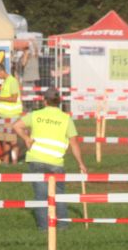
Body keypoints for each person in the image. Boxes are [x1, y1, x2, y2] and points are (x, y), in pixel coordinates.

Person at [12, 87, 87, 230]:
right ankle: (63, 226)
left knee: (41, 197)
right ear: (59, 102)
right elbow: (74, 144)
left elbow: (16, 126)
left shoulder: (35, 115)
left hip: (36, 159)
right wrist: (81, 164)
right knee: (59, 195)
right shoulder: (66, 119)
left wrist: (26, 138)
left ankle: (44, 228)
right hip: (56, 162)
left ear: (44, 100)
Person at [0, 63, 23, 164]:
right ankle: (6, 161)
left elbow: (14, 98)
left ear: (1, 71)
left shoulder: (12, 81)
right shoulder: (5, 82)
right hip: (4, 115)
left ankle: (14, 162)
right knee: (5, 139)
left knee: (12, 140)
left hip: (12, 115)